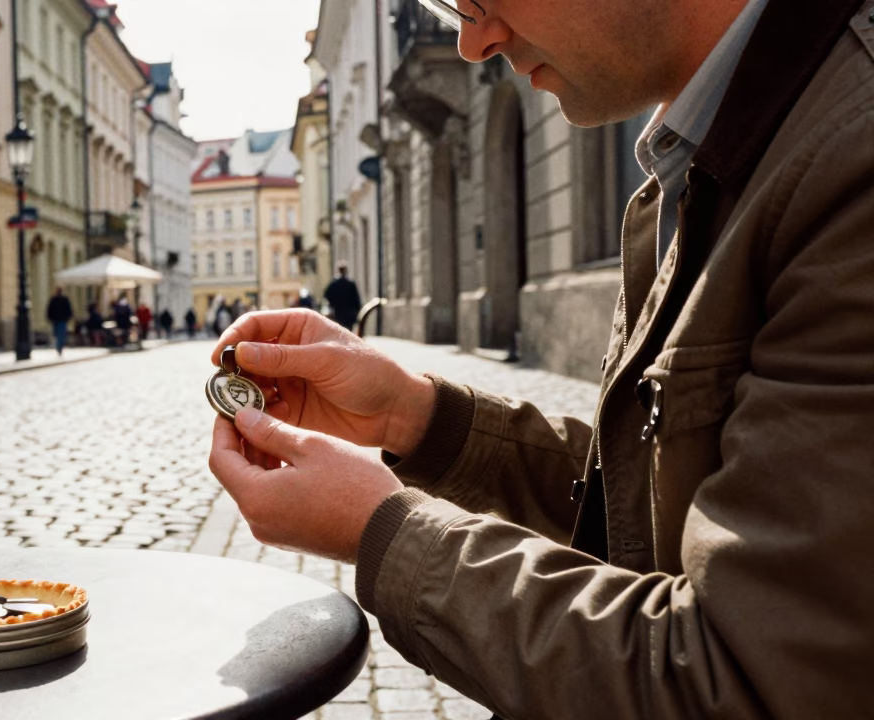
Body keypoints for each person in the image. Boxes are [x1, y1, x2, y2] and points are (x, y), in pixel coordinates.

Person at [207, 0, 874, 717]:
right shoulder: (728, 142)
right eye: (448, 6)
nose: (472, 40)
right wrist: (416, 415)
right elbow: (649, 512)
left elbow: (744, 681)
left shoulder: (847, 158)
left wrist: (379, 530)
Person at [323, 263, 361, 331]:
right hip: (348, 311)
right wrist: (358, 309)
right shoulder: (350, 283)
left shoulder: (334, 284)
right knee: (349, 330)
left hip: (338, 311)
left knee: (341, 329)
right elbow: (356, 298)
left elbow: (327, 295)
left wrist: (332, 304)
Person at [45, 287, 74, 357]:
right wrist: (49, 317)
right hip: (56, 320)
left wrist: (69, 316)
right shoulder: (54, 299)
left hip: (62, 320)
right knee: (56, 334)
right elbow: (49, 309)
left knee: (61, 334)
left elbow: (68, 309)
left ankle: (59, 347)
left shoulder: (64, 299)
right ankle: (59, 347)